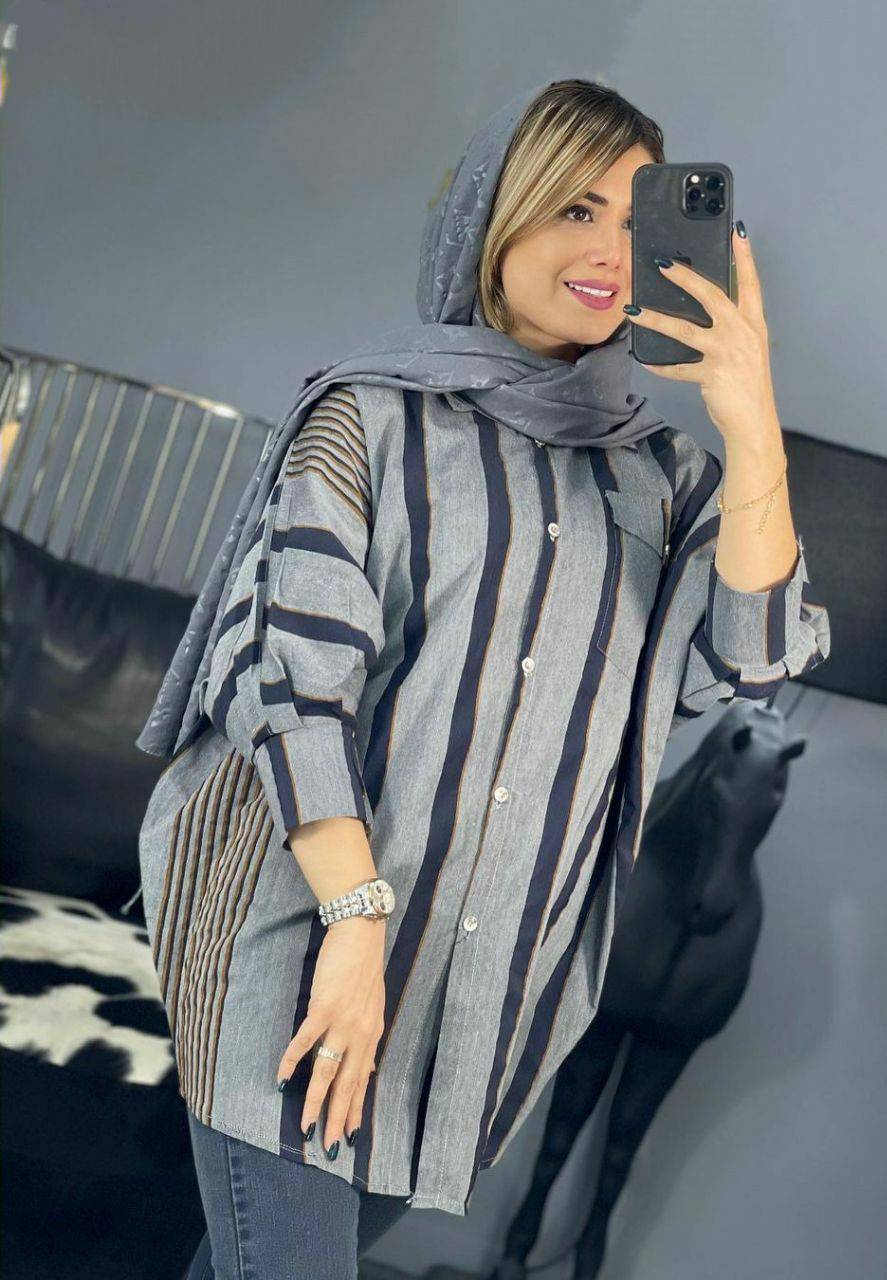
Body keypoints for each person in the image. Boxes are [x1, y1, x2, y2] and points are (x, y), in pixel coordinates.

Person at [131, 78, 830, 1280]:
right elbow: (290, 681)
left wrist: (751, 418)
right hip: (305, 947)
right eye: (573, 209)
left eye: (635, 220)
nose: (607, 250)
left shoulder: (664, 479)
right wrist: (354, 925)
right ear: (493, 218)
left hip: (469, 1006)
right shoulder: (367, 418)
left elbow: (756, 650)